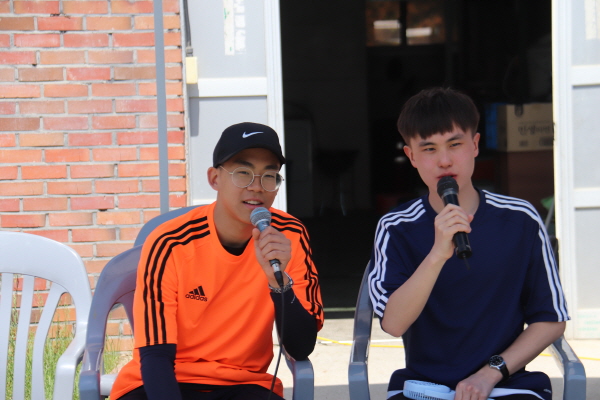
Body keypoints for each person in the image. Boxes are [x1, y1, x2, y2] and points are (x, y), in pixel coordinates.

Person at [368, 87, 568, 400]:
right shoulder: (396, 227)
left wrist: (490, 373)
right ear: (411, 156)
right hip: (427, 387)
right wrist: (437, 254)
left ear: (475, 145)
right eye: (429, 149)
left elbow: (551, 319)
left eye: (455, 144)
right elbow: (393, 324)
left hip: (506, 384)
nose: (444, 161)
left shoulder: (520, 220)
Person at [111, 122, 324, 400]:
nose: (257, 187)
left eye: (269, 176)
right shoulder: (170, 242)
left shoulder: (289, 236)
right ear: (214, 179)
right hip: (166, 379)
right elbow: (155, 356)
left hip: (244, 384)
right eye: (243, 173)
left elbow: (300, 347)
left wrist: (279, 283)